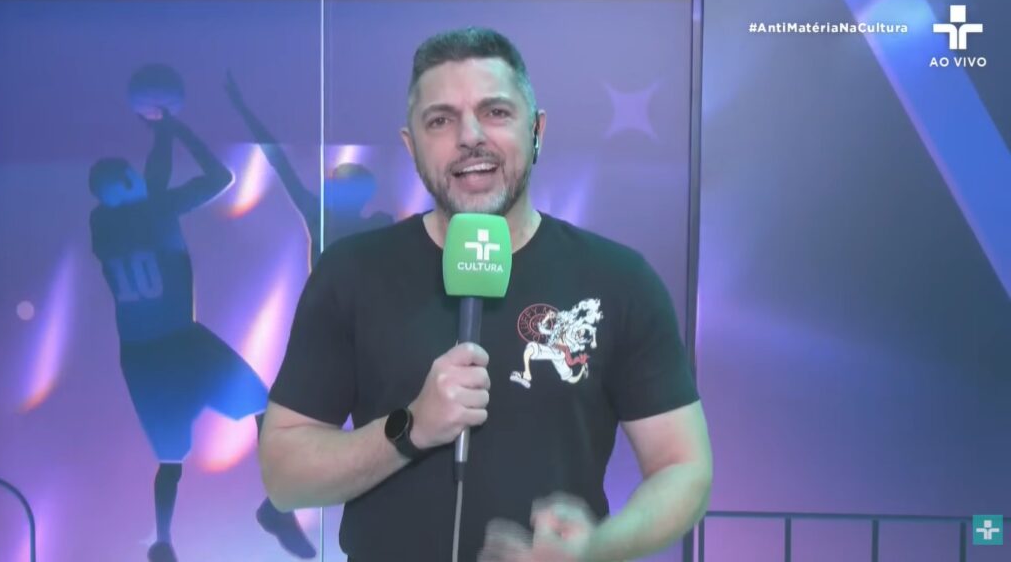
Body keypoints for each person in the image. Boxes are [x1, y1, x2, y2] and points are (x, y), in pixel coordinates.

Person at [258, 27, 713, 562]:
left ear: (537, 130)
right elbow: (284, 476)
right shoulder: (351, 272)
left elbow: (684, 468)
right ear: (411, 145)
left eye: (495, 112)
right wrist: (410, 429)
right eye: (440, 120)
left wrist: (598, 548)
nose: (470, 136)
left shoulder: (619, 279)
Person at [88, 112, 316, 562]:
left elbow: (151, 182)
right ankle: (275, 507)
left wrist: (161, 136)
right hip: (180, 341)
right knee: (262, 408)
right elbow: (220, 176)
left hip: (141, 358)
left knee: (170, 460)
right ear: (127, 185)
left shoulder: (102, 225)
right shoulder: (157, 209)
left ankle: (163, 542)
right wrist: (178, 129)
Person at [224, 71, 393, 270]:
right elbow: (280, 163)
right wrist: (243, 109)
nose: (328, 186)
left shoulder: (355, 224)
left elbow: (281, 163)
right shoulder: (326, 219)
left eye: (335, 182)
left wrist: (242, 109)